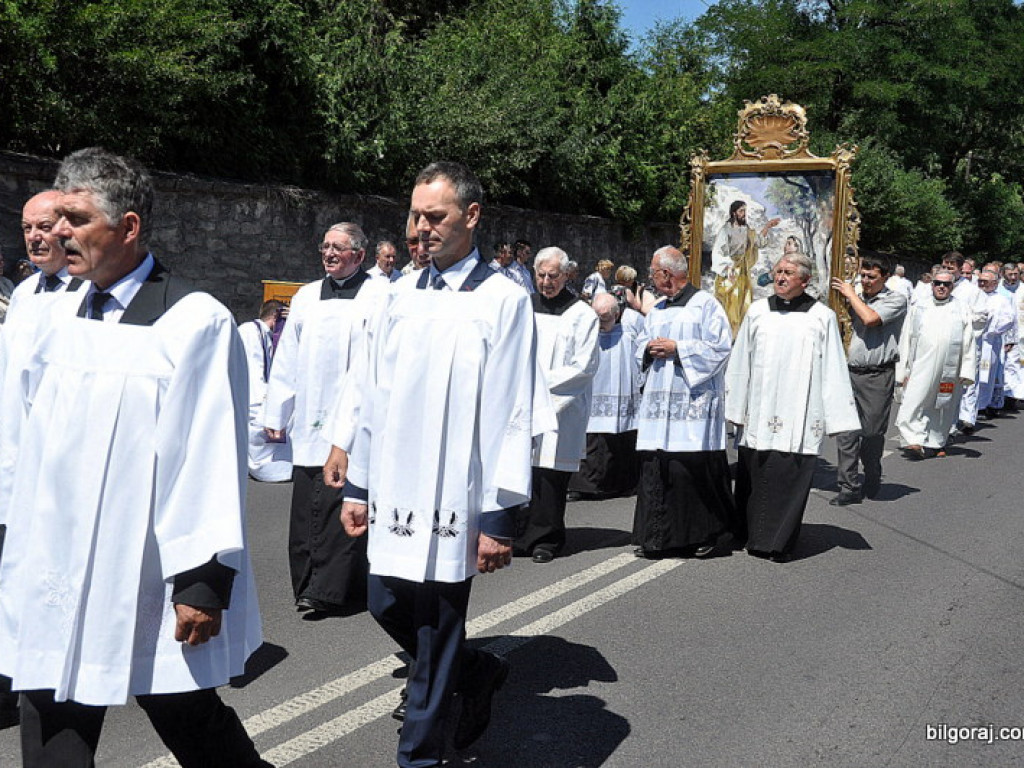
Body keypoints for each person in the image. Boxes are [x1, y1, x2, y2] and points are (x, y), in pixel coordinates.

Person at [0, 147, 266, 767]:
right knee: (52, 700)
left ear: (128, 227)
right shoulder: (50, 313)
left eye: (76, 218)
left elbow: (206, 456)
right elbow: (23, 434)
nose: (60, 231)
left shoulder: (192, 322)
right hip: (56, 563)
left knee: (182, 710)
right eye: (56, 216)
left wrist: (202, 581)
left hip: (145, 563)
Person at [323, 161, 542, 768]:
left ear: (471, 216)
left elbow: (512, 410)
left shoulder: (502, 300)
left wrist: (499, 516)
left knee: (437, 624)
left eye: (435, 216)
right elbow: (371, 393)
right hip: (395, 485)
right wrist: (358, 485)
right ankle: (477, 672)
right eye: (416, 215)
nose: (421, 228)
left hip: (457, 489)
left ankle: (418, 753)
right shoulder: (393, 297)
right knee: (385, 602)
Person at [263, 222, 385, 615]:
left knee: (343, 504)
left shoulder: (379, 294)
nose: (329, 253)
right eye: (325, 247)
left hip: (356, 418)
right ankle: (306, 582)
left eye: (338, 247)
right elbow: (287, 358)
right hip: (312, 414)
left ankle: (333, 589)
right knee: (306, 506)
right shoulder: (306, 296)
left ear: (360, 255)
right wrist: (276, 410)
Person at [725, 253, 859, 562]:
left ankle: (776, 542)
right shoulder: (757, 312)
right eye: (778, 271)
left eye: (788, 272)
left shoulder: (821, 316)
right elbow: (740, 361)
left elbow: (834, 368)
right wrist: (735, 405)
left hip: (800, 409)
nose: (781, 277)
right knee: (756, 475)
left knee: (788, 476)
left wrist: (835, 417)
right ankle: (747, 533)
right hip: (760, 408)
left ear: (805, 280)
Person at [632, 246, 737, 559]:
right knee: (657, 467)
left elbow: (720, 348)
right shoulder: (659, 309)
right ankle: (657, 538)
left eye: (653, 272)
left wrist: (679, 348)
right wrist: (647, 349)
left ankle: (706, 534)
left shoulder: (705, 305)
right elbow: (640, 343)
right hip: (659, 403)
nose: (650, 278)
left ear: (666, 274)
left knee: (688, 470)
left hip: (693, 404)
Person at [516, 247, 599, 563]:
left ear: (567, 275)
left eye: (553, 276)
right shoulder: (524, 307)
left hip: (559, 408)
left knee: (549, 475)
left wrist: (538, 390)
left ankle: (546, 539)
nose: (546, 281)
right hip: (522, 403)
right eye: (541, 275)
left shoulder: (582, 315)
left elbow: (584, 366)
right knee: (520, 471)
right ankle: (518, 534)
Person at [829, 251, 907, 505]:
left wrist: (851, 295)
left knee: (872, 432)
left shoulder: (896, 299)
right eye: (862, 275)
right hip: (848, 372)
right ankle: (848, 486)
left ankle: (872, 469)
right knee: (846, 432)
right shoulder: (854, 296)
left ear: (885, 276)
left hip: (877, 374)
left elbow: (870, 318)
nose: (865, 281)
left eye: (871, 277)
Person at [895, 269, 976, 458]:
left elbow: (968, 340)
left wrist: (967, 370)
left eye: (946, 284)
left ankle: (935, 442)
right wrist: (902, 369)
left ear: (952, 286)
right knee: (914, 400)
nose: (941, 287)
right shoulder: (919, 307)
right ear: (931, 285)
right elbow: (906, 337)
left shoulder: (961, 307)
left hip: (950, 367)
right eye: (938, 283)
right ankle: (912, 439)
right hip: (922, 364)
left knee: (942, 404)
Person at [568, 293, 641, 501]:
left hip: (622, 390)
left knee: (621, 436)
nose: (600, 324)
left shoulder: (632, 324)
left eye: (605, 319)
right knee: (591, 437)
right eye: (597, 318)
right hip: (593, 387)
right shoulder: (586, 326)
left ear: (617, 314)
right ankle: (584, 486)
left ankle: (623, 484)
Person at [238, 299, 293, 482]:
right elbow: (255, 371)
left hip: (259, 396)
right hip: (254, 398)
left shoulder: (265, 335)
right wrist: (267, 400)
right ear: (276, 317)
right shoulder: (250, 331)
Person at [711, 200, 780, 335]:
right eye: (741, 211)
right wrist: (727, 267)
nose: (744, 214)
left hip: (743, 273)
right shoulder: (726, 230)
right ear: (734, 213)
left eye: (745, 211)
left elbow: (758, 242)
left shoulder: (747, 230)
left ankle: (741, 335)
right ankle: (728, 335)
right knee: (731, 304)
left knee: (745, 303)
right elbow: (717, 252)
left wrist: (767, 226)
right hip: (729, 272)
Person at [942, 252, 989, 433]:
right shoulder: (936, 286)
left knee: (961, 385)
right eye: (944, 266)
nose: (947, 270)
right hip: (939, 344)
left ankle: (956, 423)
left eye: (951, 267)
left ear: (960, 268)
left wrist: (960, 319)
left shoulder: (972, 291)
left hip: (963, 344)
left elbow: (982, 316)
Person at [974, 268, 1015, 419]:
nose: (982, 284)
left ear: (995, 283)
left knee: (986, 374)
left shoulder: (1001, 300)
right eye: (980, 281)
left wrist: (992, 331)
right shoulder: (973, 296)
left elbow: (1009, 319)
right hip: (972, 340)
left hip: (989, 342)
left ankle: (982, 406)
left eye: (985, 281)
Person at [1000, 263, 1022, 407]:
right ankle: (1003, 394)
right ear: (1003, 274)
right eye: (1010, 274)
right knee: (1005, 365)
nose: (1013, 277)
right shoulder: (998, 290)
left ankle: (1014, 395)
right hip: (1002, 334)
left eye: (1016, 274)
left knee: (1018, 365)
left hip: (1022, 334)